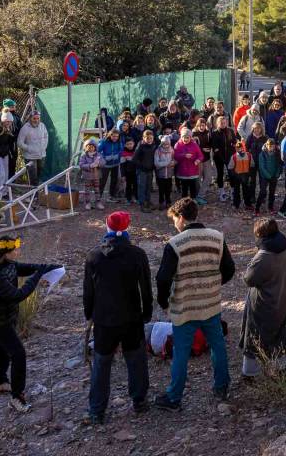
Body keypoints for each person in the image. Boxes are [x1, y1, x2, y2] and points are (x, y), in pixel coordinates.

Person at [153, 198, 234, 410]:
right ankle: (222, 386)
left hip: (184, 306)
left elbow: (163, 278)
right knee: (217, 345)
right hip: (210, 303)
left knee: (181, 352)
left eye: (174, 220)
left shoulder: (175, 244)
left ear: (181, 218)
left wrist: (164, 301)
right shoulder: (217, 237)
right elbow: (229, 269)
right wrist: (215, 283)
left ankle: (174, 397)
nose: (174, 224)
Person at [83, 211, 152, 424]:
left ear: (107, 227)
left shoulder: (94, 256)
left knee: (102, 364)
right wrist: (147, 312)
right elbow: (146, 288)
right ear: (127, 228)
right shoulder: (137, 254)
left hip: (104, 320)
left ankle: (97, 410)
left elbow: (88, 291)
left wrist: (89, 314)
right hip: (131, 316)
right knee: (136, 360)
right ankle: (139, 400)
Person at [0, 234, 60, 413]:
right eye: (15, 249)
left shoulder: (6, 264)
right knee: (18, 353)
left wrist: (47, 268)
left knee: (4, 347)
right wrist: (38, 276)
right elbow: (19, 294)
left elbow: (21, 268)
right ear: (5, 253)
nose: (18, 251)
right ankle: (17, 397)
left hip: (8, 316)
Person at [240, 218, 286, 378]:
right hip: (282, 298)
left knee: (253, 337)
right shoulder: (284, 247)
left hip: (262, 303)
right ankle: (281, 368)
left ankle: (250, 373)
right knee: (279, 334)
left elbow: (249, 279)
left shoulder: (264, 255)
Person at [17, 112, 49, 186]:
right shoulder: (25, 128)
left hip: (41, 155)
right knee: (32, 178)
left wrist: (44, 147)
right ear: (30, 118)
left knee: (39, 176)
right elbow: (19, 142)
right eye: (34, 118)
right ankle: (33, 195)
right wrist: (29, 148)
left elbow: (46, 136)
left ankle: (37, 194)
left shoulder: (42, 126)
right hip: (30, 157)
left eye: (38, 118)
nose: (36, 120)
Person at [172, 129, 204, 200]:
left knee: (193, 189)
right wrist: (184, 155)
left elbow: (201, 156)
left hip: (193, 171)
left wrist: (197, 160)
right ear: (181, 137)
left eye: (187, 137)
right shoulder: (178, 145)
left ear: (190, 137)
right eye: (184, 137)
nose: (185, 139)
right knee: (184, 190)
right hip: (183, 172)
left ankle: (193, 202)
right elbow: (175, 156)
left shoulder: (194, 145)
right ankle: (184, 204)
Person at [256, 137, 283, 215]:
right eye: (269, 146)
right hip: (265, 176)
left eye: (273, 146)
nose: (271, 147)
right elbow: (262, 167)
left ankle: (270, 207)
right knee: (263, 192)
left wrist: (277, 174)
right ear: (266, 145)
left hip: (274, 176)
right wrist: (268, 175)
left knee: (272, 193)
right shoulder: (262, 154)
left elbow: (278, 165)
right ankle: (257, 208)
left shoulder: (277, 153)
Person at [96, 128, 124, 202]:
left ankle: (111, 196)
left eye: (117, 136)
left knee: (114, 180)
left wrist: (117, 155)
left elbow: (121, 150)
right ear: (110, 135)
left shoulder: (119, 142)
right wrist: (104, 157)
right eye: (113, 136)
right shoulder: (104, 142)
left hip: (115, 164)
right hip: (105, 165)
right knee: (102, 180)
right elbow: (98, 151)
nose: (115, 138)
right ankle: (98, 196)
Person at [228, 142, 255, 212]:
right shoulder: (234, 156)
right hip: (237, 176)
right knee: (236, 191)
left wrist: (250, 174)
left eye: (241, 148)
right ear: (236, 149)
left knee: (246, 191)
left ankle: (248, 204)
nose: (240, 149)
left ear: (244, 148)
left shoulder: (249, 155)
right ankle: (236, 204)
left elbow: (252, 165)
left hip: (245, 176)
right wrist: (233, 175)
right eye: (238, 148)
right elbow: (230, 167)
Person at [134, 129, 157, 211]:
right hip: (142, 170)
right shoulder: (140, 146)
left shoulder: (154, 145)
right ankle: (142, 203)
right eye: (147, 138)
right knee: (142, 187)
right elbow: (135, 159)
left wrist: (153, 166)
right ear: (143, 138)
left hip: (150, 170)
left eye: (151, 138)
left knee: (148, 186)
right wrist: (142, 166)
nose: (149, 140)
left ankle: (148, 201)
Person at [78, 140, 104, 210]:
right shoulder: (83, 156)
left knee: (97, 189)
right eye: (89, 147)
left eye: (92, 147)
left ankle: (98, 202)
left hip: (96, 176)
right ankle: (87, 203)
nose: (91, 148)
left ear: (95, 147)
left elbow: (103, 162)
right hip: (87, 176)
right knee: (87, 190)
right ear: (86, 148)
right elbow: (81, 165)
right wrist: (90, 165)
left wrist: (98, 164)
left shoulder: (99, 155)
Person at [154, 135, 175, 210]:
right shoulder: (158, 151)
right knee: (161, 189)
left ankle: (168, 202)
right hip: (160, 174)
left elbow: (174, 160)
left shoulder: (172, 150)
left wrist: (173, 163)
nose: (166, 145)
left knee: (168, 189)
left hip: (169, 174)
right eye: (164, 144)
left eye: (167, 144)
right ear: (162, 143)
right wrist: (167, 163)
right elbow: (157, 163)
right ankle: (161, 202)